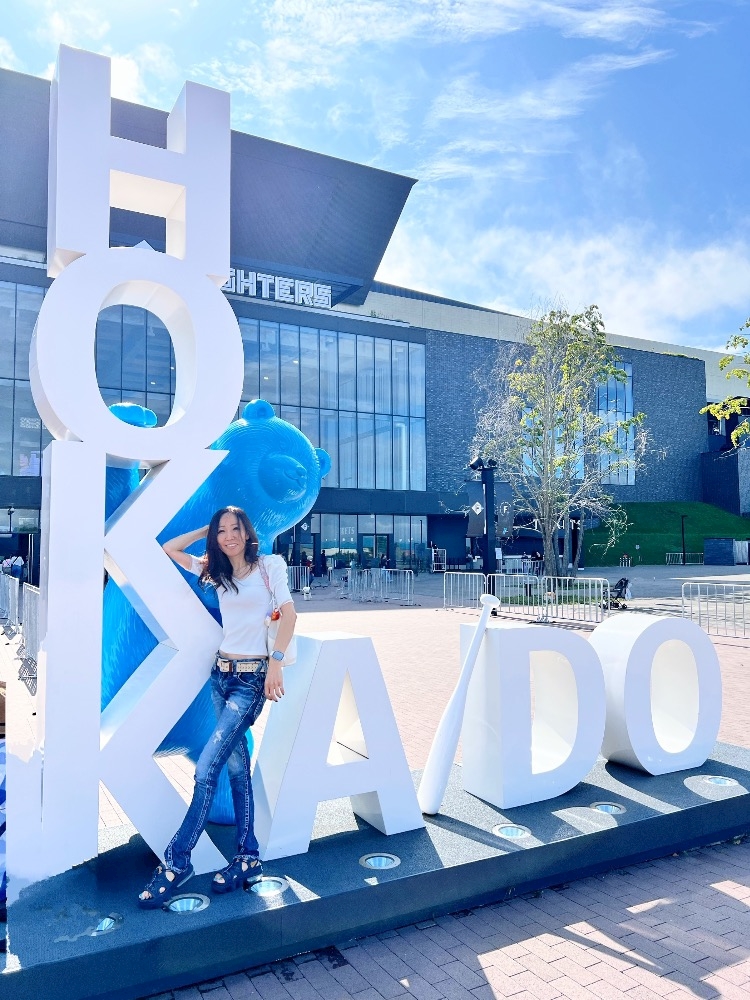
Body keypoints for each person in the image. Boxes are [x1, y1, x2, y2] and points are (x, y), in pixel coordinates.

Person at [138, 505, 297, 908]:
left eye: (235, 528)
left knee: (206, 769)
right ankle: (248, 856)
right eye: (222, 531)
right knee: (237, 771)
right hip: (220, 676)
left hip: (251, 680)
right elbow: (169, 549)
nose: (229, 536)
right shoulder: (216, 571)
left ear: (248, 532)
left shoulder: (270, 566)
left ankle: (177, 862)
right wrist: (203, 531)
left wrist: (276, 665)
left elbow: (289, 615)